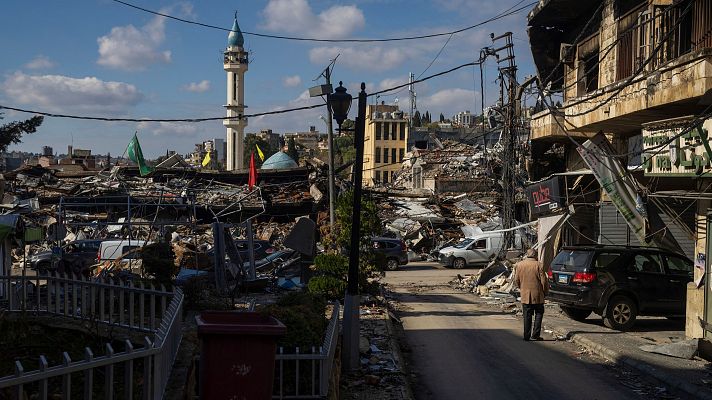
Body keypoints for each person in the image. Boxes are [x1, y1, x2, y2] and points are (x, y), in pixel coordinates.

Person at [514, 248, 549, 341]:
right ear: (535, 255)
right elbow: (544, 281)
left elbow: (516, 280)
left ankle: (526, 336)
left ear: (527, 254)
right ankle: (535, 335)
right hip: (537, 294)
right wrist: (545, 292)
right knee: (539, 313)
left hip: (525, 294)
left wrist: (521, 288)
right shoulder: (539, 265)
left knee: (527, 315)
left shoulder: (520, 265)